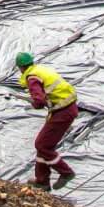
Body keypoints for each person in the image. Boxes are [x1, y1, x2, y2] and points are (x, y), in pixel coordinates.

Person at [16, 51, 78, 190]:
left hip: (63, 112)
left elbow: (38, 100)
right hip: (66, 108)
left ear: (20, 68)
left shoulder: (32, 78)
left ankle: (65, 172)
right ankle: (42, 181)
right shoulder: (40, 70)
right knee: (44, 145)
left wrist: (35, 103)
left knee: (42, 145)